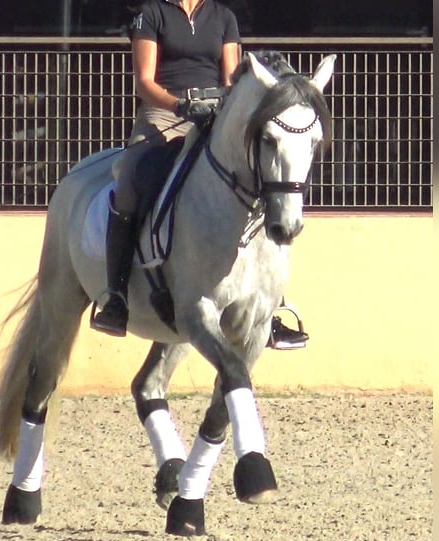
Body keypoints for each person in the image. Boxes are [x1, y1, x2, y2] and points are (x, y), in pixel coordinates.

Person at [91, 0, 309, 350]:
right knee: (130, 178)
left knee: (256, 183)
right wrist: (179, 105)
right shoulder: (153, 14)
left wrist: (221, 113)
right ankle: (116, 295)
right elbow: (145, 81)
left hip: (213, 116)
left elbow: (231, 79)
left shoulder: (223, 17)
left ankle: (270, 306)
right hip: (163, 115)